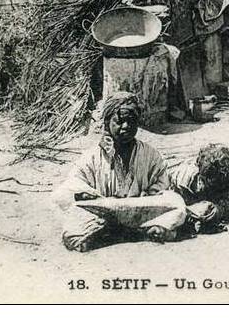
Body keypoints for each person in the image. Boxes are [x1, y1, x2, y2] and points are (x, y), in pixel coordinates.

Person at [55, 91, 186, 252]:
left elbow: (161, 181)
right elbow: (72, 184)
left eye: (131, 121)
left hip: (137, 208)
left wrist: (150, 193)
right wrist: (85, 193)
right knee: (65, 202)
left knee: (175, 202)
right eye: (119, 121)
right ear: (107, 122)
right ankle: (136, 231)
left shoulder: (150, 154)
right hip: (104, 209)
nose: (126, 126)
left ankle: (114, 232)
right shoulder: (92, 156)